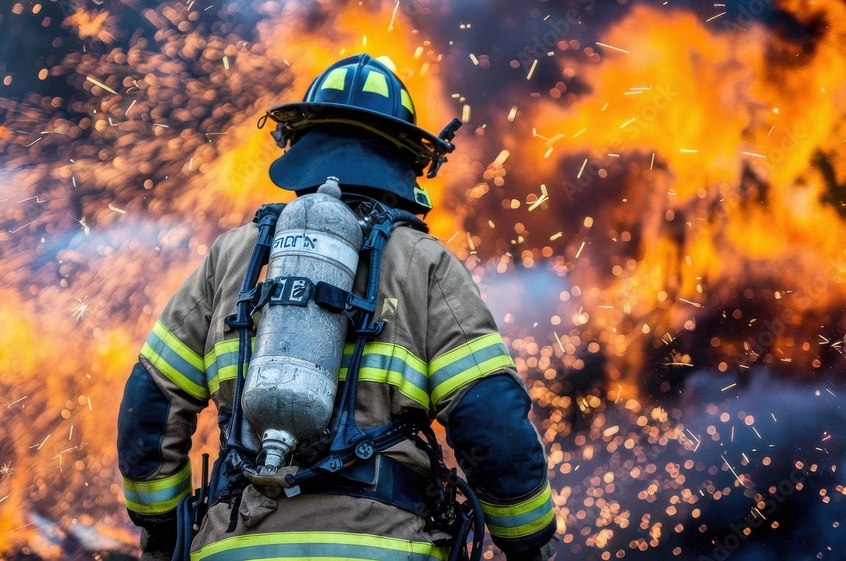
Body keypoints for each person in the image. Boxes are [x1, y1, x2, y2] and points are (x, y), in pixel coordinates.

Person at [117, 53, 558, 561]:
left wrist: (164, 531)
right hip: (387, 546)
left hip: (233, 546)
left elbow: (149, 405)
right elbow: (490, 418)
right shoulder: (425, 264)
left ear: (302, 145)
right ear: (405, 158)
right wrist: (528, 542)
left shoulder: (233, 257)